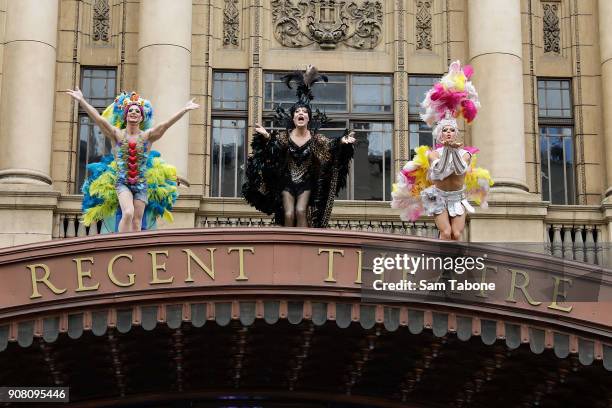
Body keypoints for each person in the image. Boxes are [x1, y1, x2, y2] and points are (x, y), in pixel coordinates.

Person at [66, 88, 199, 232]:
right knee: (128, 213)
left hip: (141, 184)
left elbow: (165, 125)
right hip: (122, 183)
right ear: (126, 116)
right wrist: (82, 101)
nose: (134, 113)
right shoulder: (117, 134)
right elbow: (99, 120)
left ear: (141, 118)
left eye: (137, 111)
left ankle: (134, 251)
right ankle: (121, 245)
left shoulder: (147, 136)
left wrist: (184, 110)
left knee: (137, 221)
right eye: (131, 111)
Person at [242, 65, 355, 227]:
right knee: (288, 213)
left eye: (304, 112)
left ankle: (304, 244)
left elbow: (331, 146)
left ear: (308, 118)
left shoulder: (316, 139)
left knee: (301, 211)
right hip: (287, 183)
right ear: (293, 117)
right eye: (297, 112)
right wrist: (266, 136)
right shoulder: (284, 137)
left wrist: (342, 142)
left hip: (306, 183)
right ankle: (288, 246)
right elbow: (273, 148)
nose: (300, 113)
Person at [391, 61, 492, 241]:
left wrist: (454, 152)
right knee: (445, 233)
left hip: (458, 197)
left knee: (457, 234)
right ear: (439, 134)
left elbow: (460, 170)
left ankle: (454, 266)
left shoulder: (466, 153)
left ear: (455, 133)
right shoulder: (432, 154)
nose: (448, 133)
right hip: (438, 197)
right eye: (445, 130)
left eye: (451, 130)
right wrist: (448, 151)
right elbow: (439, 171)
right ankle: (442, 266)